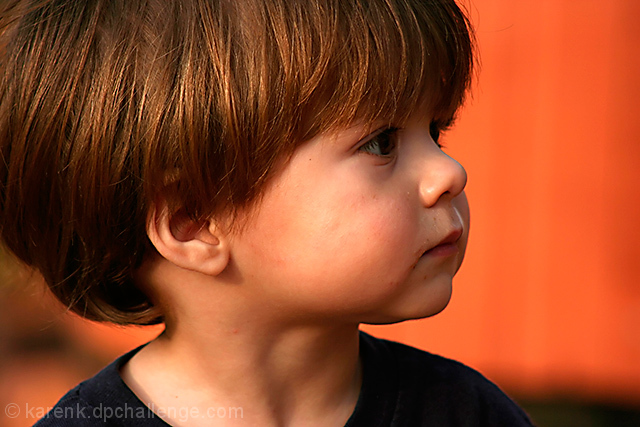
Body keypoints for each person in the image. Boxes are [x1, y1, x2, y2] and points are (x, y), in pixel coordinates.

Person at [0, 0, 534, 425]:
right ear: (194, 222)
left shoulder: (463, 410)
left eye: (436, 132)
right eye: (381, 143)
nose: (449, 172)